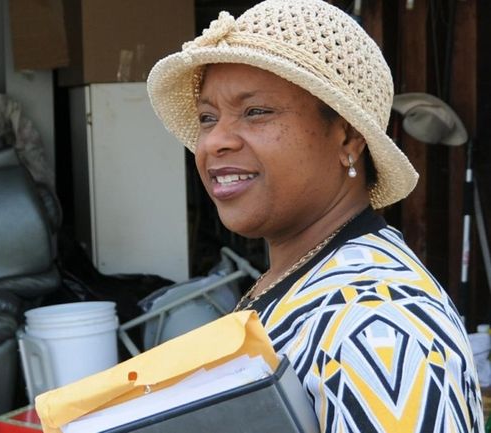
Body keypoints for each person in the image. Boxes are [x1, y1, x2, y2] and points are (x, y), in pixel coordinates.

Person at [146, 0, 483, 432]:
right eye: (208, 117)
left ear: (347, 136)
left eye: (256, 112)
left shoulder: (375, 323)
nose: (215, 142)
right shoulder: (308, 278)